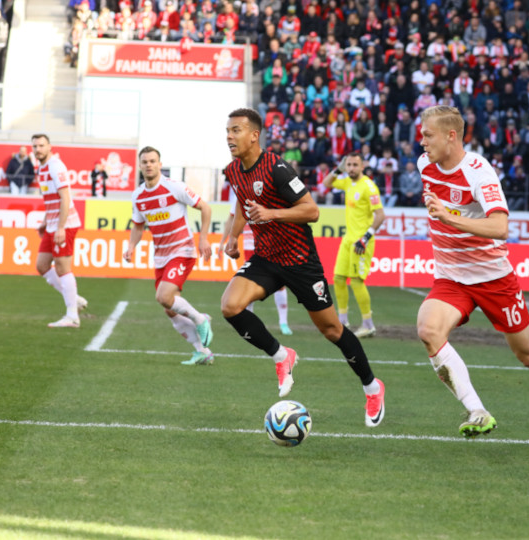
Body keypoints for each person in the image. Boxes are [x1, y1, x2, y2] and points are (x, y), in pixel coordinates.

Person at [415, 105, 529, 437]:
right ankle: (477, 411)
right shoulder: (425, 165)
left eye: (428, 135)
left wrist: (449, 217)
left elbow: (500, 227)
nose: (422, 142)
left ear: (451, 136)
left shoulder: (479, 172)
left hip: (493, 278)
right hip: (451, 277)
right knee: (428, 329)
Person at [220, 108, 385, 427]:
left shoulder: (277, 168)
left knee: (332, 330)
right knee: (230, 306)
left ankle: (372, 387)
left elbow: (312, 211)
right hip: (266, 257)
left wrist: (272, 213)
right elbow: (242, 202)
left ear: (254, 135)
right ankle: (282, 356)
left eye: (236, 130)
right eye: (227, 131)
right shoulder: (234, 170)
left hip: (299, 260)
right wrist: (233, 237)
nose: (229, 136)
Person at [123, 146, 215, 365]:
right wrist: (131, 246)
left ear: (160, 164)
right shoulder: (138, 196)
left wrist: (203, 239)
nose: (149, 165)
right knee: (170, 309)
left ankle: (201, 319)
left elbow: (205, 208)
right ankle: (202, 351)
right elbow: (138, 226)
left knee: (164, 297)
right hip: (161, 256)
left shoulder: (174, 187)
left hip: (182, 250)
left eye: (152, 161)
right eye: (145, 162)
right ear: (140, 165)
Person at [321, 152, 386, 337]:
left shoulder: (369, 187)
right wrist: (338, 169)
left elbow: (381, 215)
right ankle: (342, 321)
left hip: (361, 241)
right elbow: (326, 183)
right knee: (338, 278)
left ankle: (368, 324)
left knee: (356, 281)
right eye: (348, 165)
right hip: (348, 239)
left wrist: (365, 237)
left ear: (362, 166)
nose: (351, 168)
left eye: (355, 165)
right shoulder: (347, 182)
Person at [221, 179, 293, 335]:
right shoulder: (240, 192)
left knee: (280, 282)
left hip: (272, 242)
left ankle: (283, 322)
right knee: (248, 282)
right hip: (250, 243)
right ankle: (250, 320)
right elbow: (232, 218)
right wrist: (224, 240)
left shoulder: (272, 188)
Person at [32, 134, 87, 327]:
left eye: (41, 145)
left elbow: (65, 197)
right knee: (42, 265)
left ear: (50, 147)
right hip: (53, 224)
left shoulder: (55, 166)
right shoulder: (41, 168)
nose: (38, 149)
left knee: (63, 268)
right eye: (35, 146)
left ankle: (72, 316)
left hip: (65, 224)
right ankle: (74, 298)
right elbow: (51, 199)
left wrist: (61, 227)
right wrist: (45, 222)